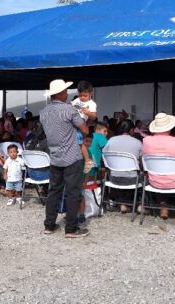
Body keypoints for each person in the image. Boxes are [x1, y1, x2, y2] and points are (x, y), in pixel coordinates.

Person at [41, 79, 90, 238]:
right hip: (71, 156)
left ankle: (49, 225)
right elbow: (85, 130)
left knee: (54, 191)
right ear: (60, 94)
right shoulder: (69, 110)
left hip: (55, 157)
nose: (67, 93)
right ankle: (71, 228)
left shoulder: (44, 112)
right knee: (72, 193)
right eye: (65, 91)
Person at [142, 112, 175, 220]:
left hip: (154, 181)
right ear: (170, 127)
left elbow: (144, 158)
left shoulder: (146, 140)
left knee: (159, 174)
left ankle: (163, 207)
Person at [102, 119, 143, 214]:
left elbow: (104, 156)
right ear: (131, 130)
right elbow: (142, 162)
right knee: (143, 176)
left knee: (118, 174)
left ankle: (122, 202)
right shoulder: (137, 142)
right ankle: (140, 204)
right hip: (132, 179)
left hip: (114, 178)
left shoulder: (111, 140)